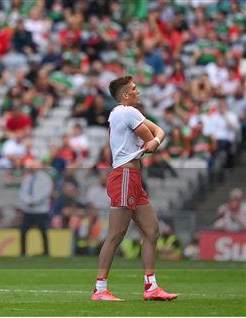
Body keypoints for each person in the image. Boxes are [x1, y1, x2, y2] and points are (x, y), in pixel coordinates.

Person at [91, 76, 178, 301]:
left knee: (151, 230)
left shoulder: (122, 113)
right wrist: (155, 141)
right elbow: (153, 137)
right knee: (116, 234)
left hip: (133, 176)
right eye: (133, 89)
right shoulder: (127, 112)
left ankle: (151, 287)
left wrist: (155, 141)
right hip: (125, 175)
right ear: (124, 95)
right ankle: (100, 290)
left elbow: (159, 134)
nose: (138, 91)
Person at [19, 159, 53, 256]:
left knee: (43, 231)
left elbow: (46, 192)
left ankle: (46, 252)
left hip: (41, 210)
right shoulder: (27, 178)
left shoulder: (45, 178)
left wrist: (35, 201)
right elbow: (22, 192)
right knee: (23, 230)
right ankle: (23, 252)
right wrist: (28, 201)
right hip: (28, 209)